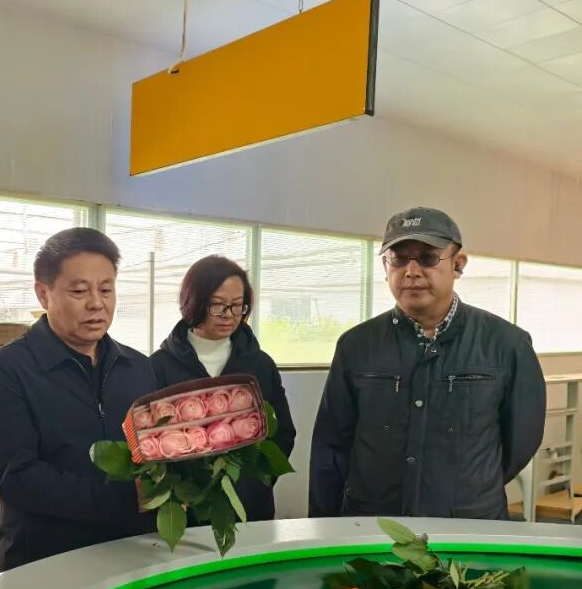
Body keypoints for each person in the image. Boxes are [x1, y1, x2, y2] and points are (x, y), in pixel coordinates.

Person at [309, 206, 546, 519]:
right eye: (399, 259)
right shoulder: (356, 346)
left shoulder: (507, 344)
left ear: (458, 265)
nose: (411, 271)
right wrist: (324, 527)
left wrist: (469, 485)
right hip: (374, 522)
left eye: (428, 258)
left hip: (469, 524)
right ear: (385, 266)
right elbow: (332, 446)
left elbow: (520, 442)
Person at [0, 227, 157, 571]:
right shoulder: (8, 369)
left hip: (131, 551)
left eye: (106, 289)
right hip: (46, 558)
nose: (96, 303)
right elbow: (18, 476)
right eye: (79, 290)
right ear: (43, 294)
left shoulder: (137, 366)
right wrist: (124, 498)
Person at [150, 255, 296, 520]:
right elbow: (149, 444)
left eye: (237, 306)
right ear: (194, 302)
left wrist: (257, 481)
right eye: (218, 305)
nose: (229, 315)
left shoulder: (260, 364)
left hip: (250, 508)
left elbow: (283, 432)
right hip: (185, 510)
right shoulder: (159, 366)